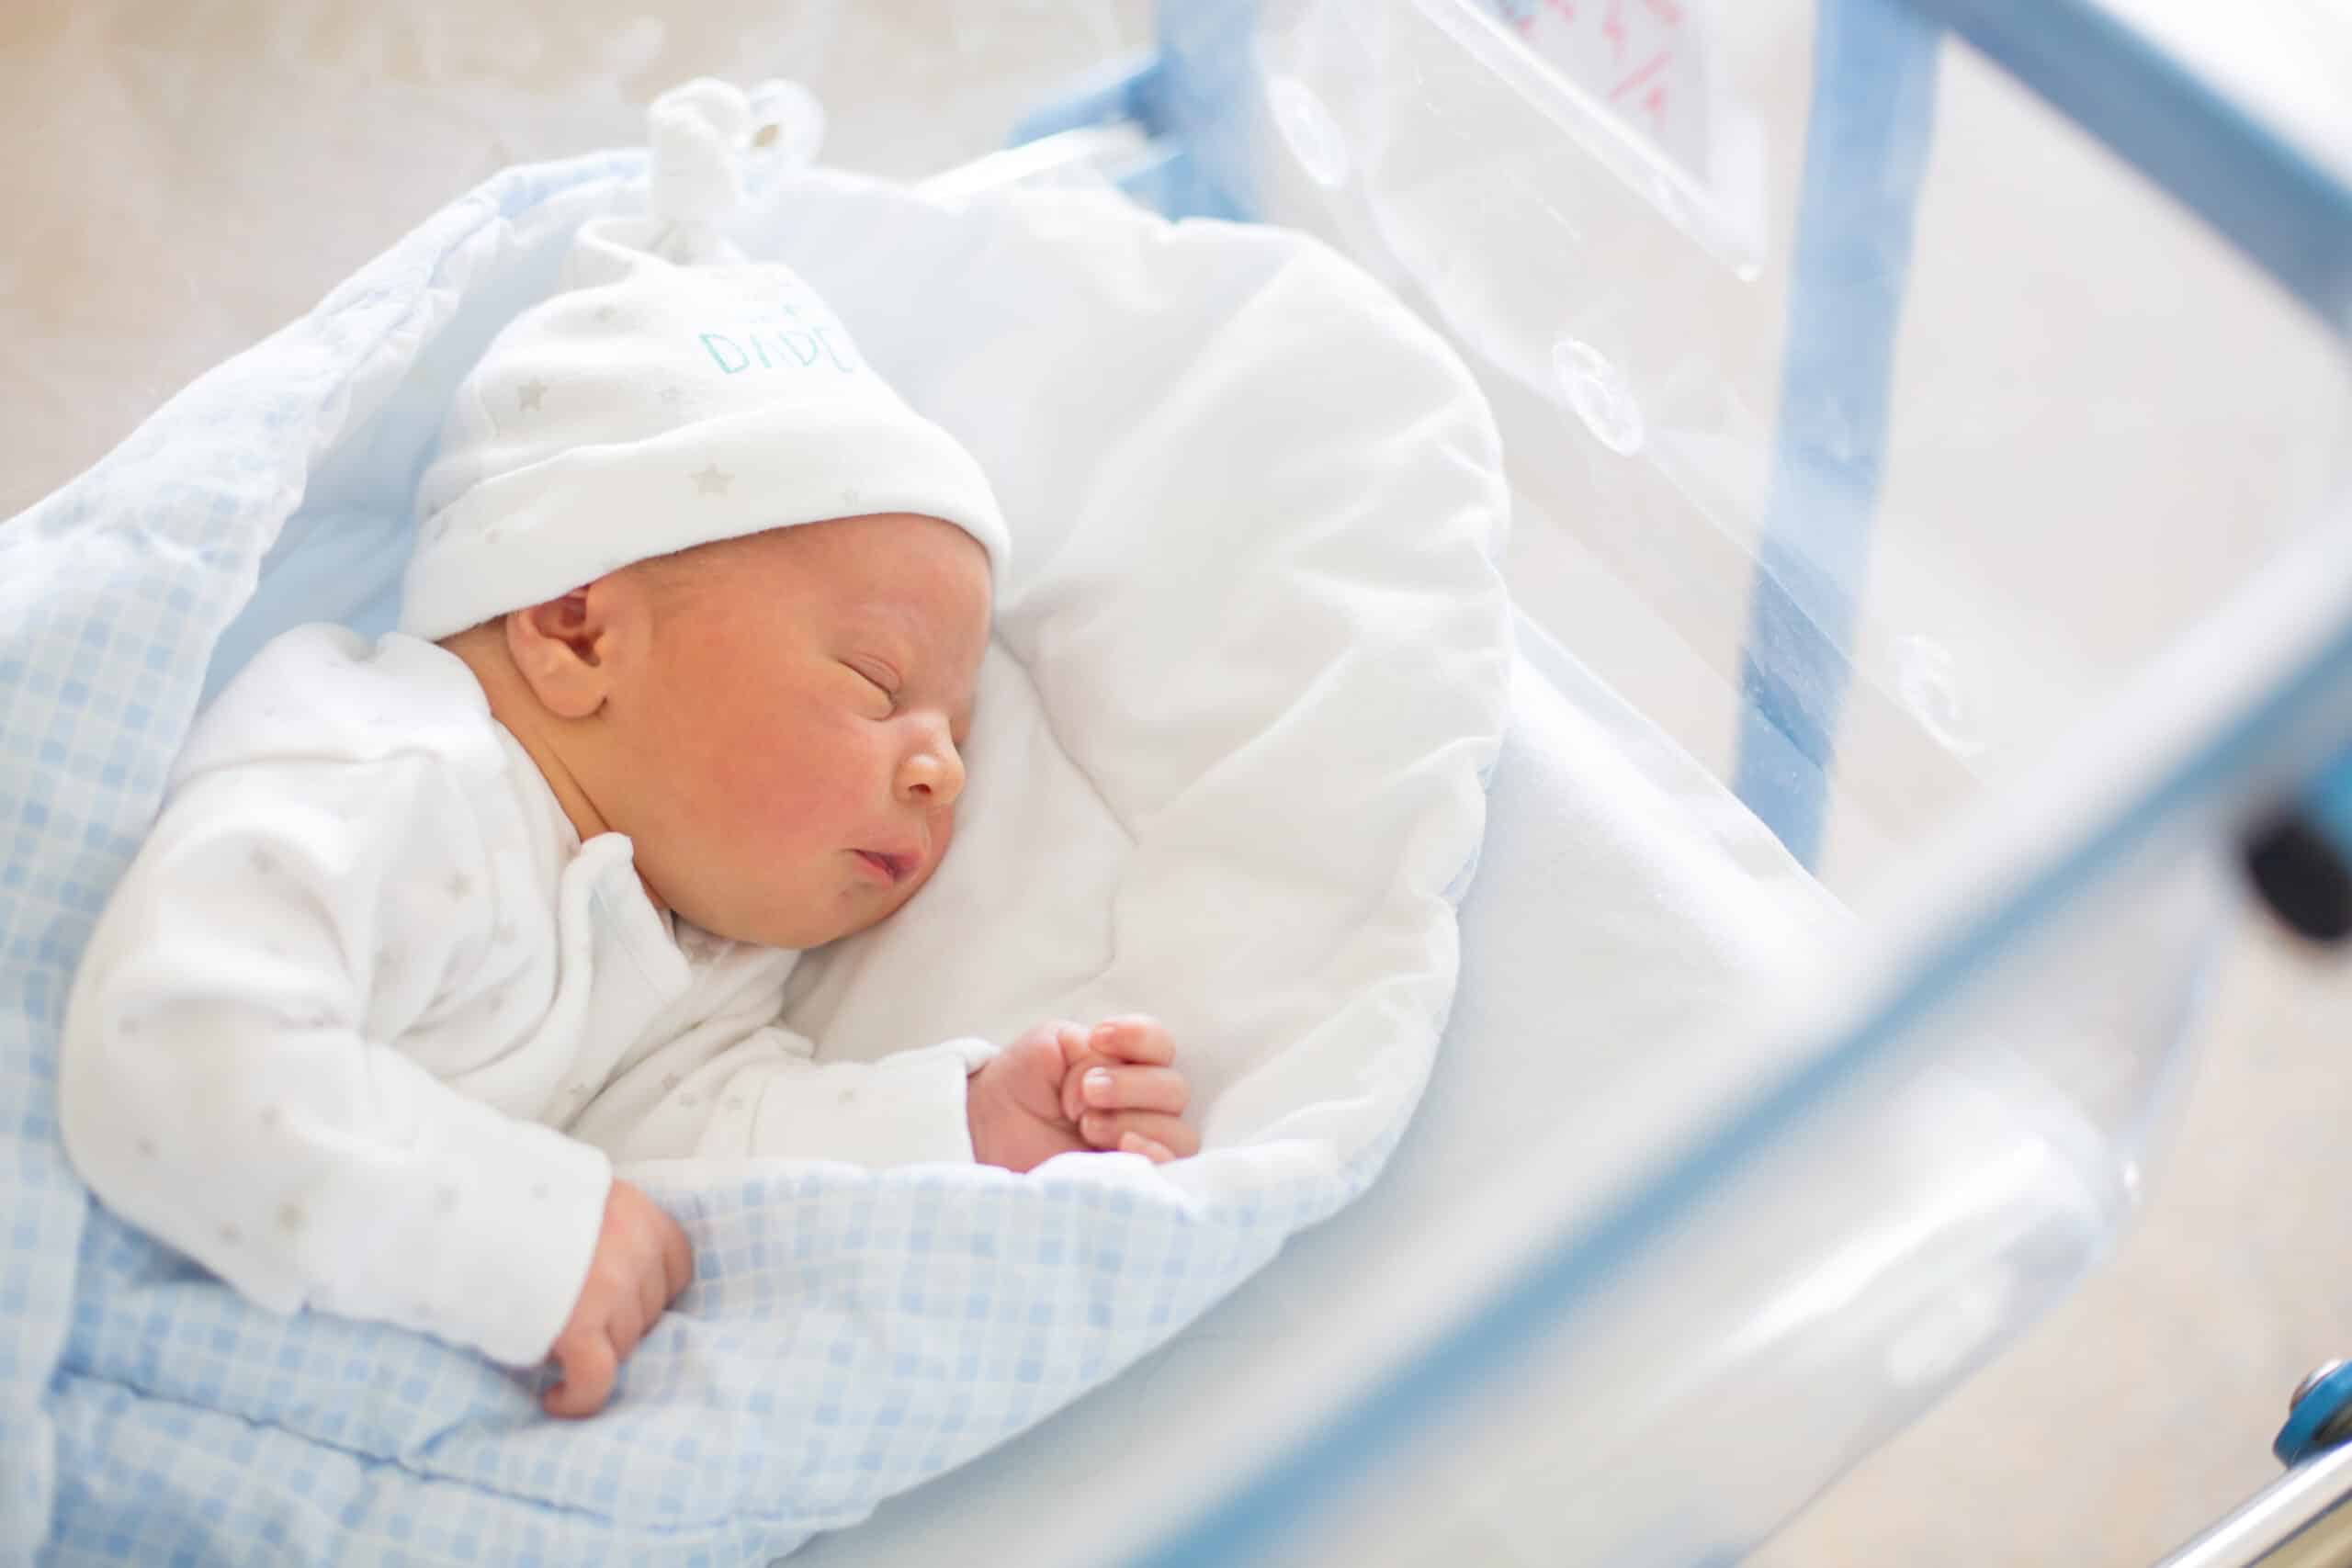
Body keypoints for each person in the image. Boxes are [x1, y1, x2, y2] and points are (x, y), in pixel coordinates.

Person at [57, 195, 1199, 1422]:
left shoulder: (694, 954)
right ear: (577, 632)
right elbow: (174, 1052)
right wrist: (521, 1232)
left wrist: (962, 1126)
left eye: (959, 735)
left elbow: (703, 1143)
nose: (944, 772)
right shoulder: (389, 768)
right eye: (878, 686)